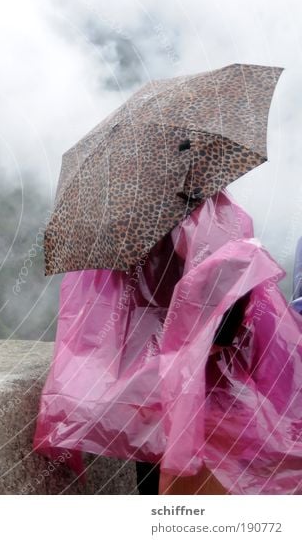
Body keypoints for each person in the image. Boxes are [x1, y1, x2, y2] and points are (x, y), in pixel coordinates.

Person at [34, 190, 302, 495]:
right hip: (207, 384)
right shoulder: (214, 216)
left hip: (143, 382)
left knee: (152, 467)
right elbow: (228, 318)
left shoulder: (122, 223)